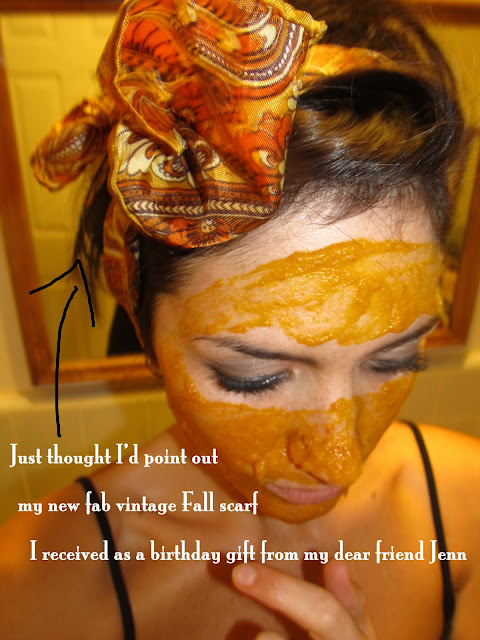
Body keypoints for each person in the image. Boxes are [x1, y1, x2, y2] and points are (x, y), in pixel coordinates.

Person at [1, 0, 479, 638]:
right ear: (145, 327)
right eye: (254, 377)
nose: (339, 465)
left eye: (394, 359)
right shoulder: (35, 586)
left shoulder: (470, 510)